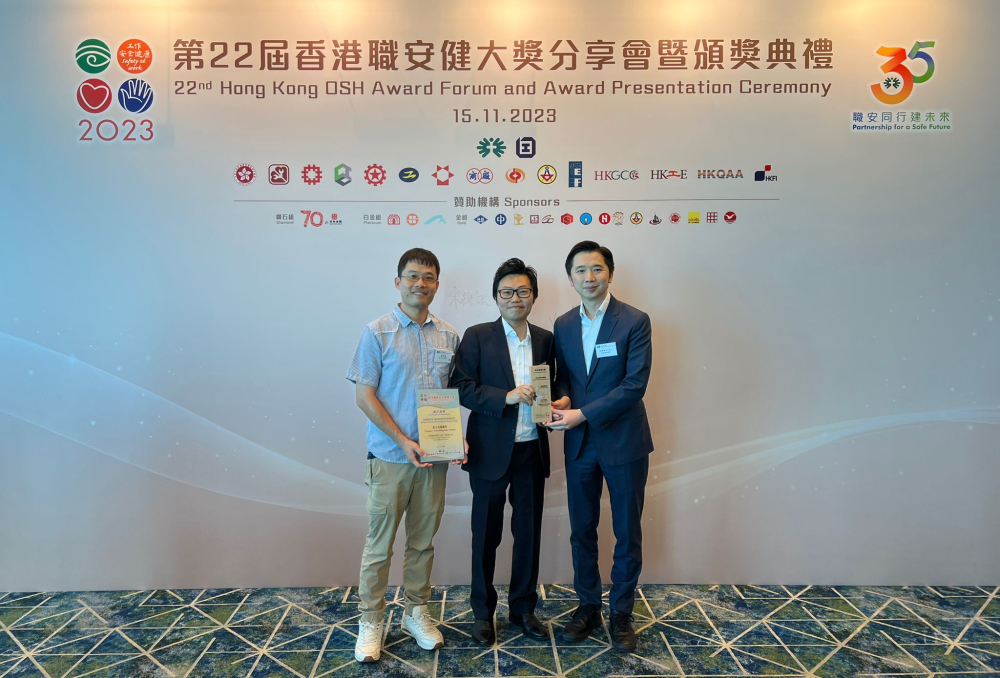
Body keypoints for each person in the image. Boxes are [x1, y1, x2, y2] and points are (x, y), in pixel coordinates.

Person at [346, 248, 467, 663]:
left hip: (434, 460)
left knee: (422, 543)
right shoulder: (376, 332)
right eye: (413, 276)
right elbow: (364, 396)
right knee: (379, 546)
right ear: (398, 282)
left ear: (437, 284)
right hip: (389, 458)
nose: (421, 283)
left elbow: (450, 397)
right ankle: (370, 620)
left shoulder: (449, 336)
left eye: (429, 277)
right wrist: (401, 440)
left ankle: (415, 613)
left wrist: (457, 438)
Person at [544, 241, 653, 652]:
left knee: (627, 531)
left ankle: (621, 612)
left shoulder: (635, 320)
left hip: (624, 441)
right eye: (580, 270)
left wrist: (582, 414)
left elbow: (634, 385)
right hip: (579, 445)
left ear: (610, 273)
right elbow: (566, 378)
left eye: (596, 269)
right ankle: (588, 605)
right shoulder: (563, 324)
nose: (589, 277)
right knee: (582, 529)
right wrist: (563, 400)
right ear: (570, 278)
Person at [451, 258, 557, 645]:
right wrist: (505, 396)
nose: (515, 298)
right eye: (507, 292)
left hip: (532, 450)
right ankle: (483, 613)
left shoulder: (545, 339)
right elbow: (461, 387)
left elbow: (556, 383)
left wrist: (559, 402)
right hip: (489, 451)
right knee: (486, 535)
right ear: (496, 297)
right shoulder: (478, 336)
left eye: (523, 291)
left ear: (534, 296)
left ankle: (523, 609)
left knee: (528, 534)